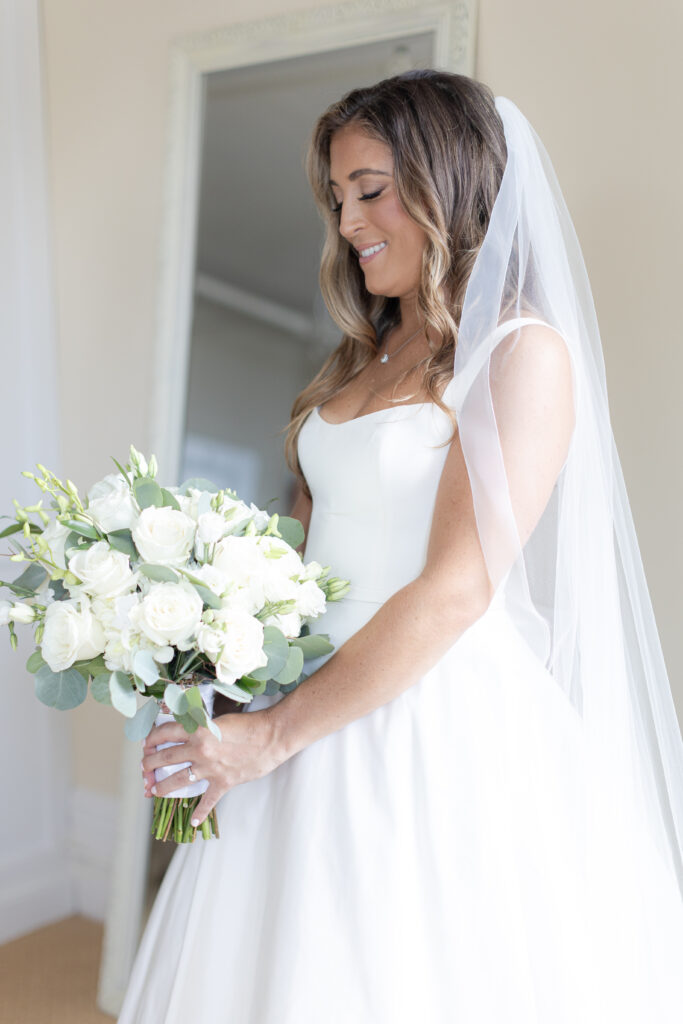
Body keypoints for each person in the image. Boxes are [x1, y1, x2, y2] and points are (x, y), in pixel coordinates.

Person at [119, 70, 683, 1023]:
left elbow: (457, 588)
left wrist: (275, 735)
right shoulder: (360, 355)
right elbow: (294, 553)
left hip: (426, 713)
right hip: (301, 696)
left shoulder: (518, 351)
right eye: (338, 198)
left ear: (450, 184)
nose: (348, 221)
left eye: (371, 190)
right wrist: (215, 676)